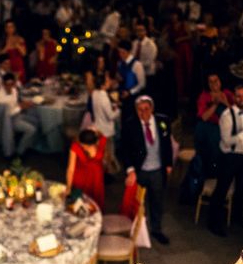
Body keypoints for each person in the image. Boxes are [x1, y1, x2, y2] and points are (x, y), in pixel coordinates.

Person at [208, 85, 243, 237]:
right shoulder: (227, 115)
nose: (242, 99)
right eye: (238, 96)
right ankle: (214, 223)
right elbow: (227, 141)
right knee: (222, 189)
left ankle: (237, 217)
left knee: (242, 188)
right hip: (229, 157)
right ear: (234, 97)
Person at [120, 95, 173, 245]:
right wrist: (130, 170)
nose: (144, 113)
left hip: (157, 170)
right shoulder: (130, 125)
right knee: (136, 202)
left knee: (157, 201)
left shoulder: (162, 121)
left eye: (146, 109)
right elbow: (125, 150)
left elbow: (167, 143)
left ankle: (156, 229)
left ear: (152, 109)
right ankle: (133, 230)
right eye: (140, 110)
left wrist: (168, 164)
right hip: (140, 170)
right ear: (136, 110)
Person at [195, 73, 234, 178]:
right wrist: (215, 104)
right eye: (210, 82)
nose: (214, 84)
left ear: (220, 81)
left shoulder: (227, 94)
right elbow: (203, 117)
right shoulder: (204, 96)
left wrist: (225, 102)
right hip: (210, 131)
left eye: (216, 81)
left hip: (226, 130)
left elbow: (235, 114)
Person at [0, 73, 38, 158]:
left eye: (11, 84)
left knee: (36, 120)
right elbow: (6, 115)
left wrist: (23, 104)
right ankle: (19, 152)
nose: (9, 87)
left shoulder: (14, 90)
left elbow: (15, 103)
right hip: (8, 121)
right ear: (3, 84)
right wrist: (21, 107)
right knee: (31, 130)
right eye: (7, 85)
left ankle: (29, 145)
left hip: (17, 114)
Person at [65, 129, 107, 210]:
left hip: (96, 180)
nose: (84, 148)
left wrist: (95, 130)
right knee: (79, 202)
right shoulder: (76, 146)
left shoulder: (101, 142)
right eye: (83, 145)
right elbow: (71, 169)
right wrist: (69, 187)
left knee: (95, 204)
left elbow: (102, 134)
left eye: (86, 146)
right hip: (81, 178)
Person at [116, 39, 146, 119]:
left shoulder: (137, 65)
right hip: (122, 95)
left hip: (133, 97)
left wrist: (130, 92)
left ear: (128, 51)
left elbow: (142, 84)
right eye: (119, 52)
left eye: (123, 52)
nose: (120, 55)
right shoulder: (120, 63)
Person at [0, 20, 27, 84]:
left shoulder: (20, 39)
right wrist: (6, 47)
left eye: (11, 27)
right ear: (5, 29)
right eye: (8, 27)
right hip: (8, 68)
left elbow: (24, 53)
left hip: (19, 67)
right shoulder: (2, 40)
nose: (9, 29)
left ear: (14, 28)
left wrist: (17, 45)